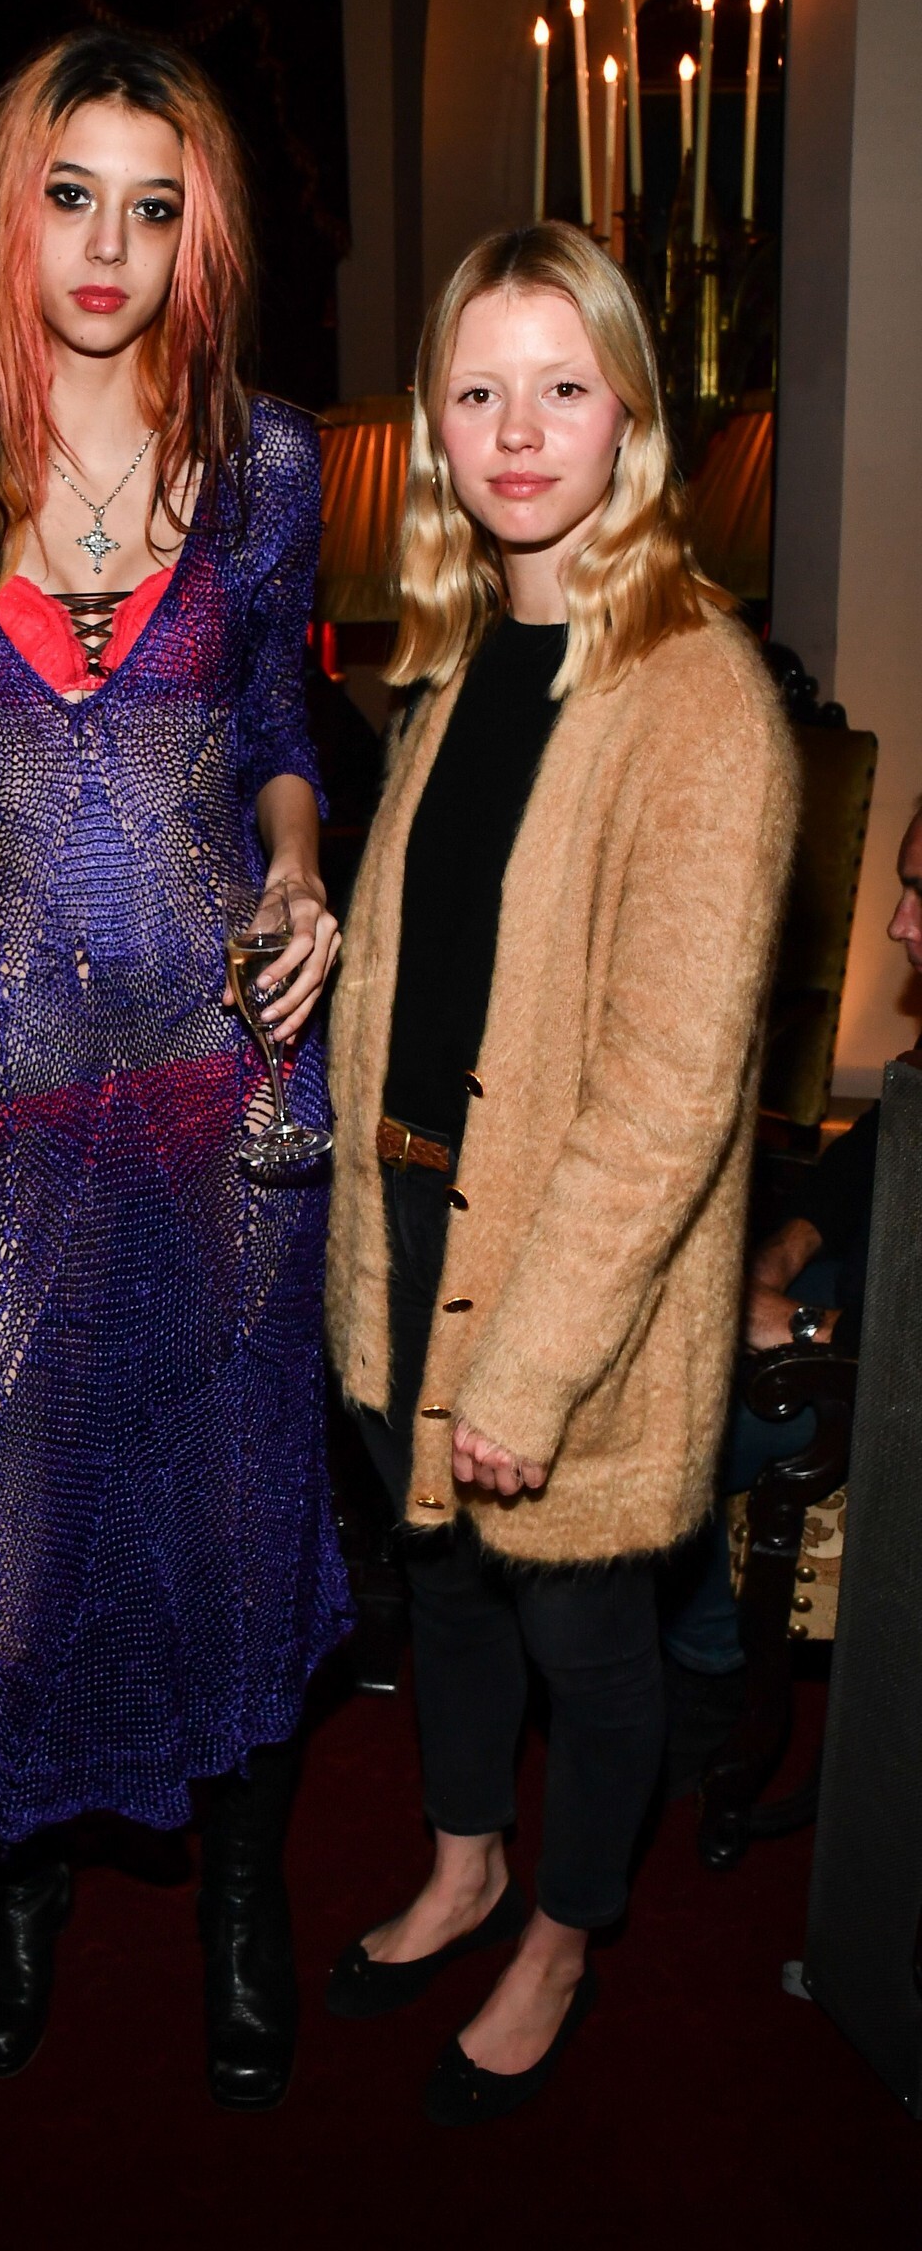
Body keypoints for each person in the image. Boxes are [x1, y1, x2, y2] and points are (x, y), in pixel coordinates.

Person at [0, 30, 353, 2111]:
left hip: (230, 1086)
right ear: (11, 209)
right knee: (20, 1537)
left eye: (153, 208)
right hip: (24, 1096)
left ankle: (241, 1901)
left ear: (195, 239)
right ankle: (32, 1886)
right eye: (72, 193)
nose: (107, 245)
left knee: (239, 1509)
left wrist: (301, 866)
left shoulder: (262, 468)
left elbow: (281, 738)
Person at [324, 223, 796, 2123]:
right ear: (437, 425)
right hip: (410, 1216)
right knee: (441, 1586)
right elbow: (437, 968)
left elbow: (671, 1096)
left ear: (631, 418)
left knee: (586, 1637)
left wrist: (527, 1369)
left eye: (564, 389)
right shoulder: (452, 663)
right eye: (479, 391)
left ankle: (567, 1932)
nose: (519, 433)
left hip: (570, 1277)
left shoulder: (702, 698)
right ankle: (464, 1864)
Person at [660, 802, 922, 1740]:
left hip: (887, 1368)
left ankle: (706, 1672)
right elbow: (875, 1152)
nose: (896, 923)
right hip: (864, 1296)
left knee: (676, 1432)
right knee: (663, 1343)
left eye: (920, 895)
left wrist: (801, 1327)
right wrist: (788, 1247)